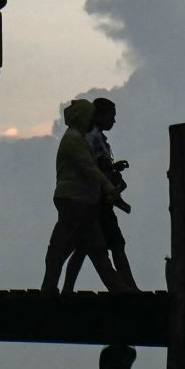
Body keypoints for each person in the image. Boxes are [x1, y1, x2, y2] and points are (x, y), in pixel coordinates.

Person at [41, 98, 128, 294]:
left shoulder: (77, 138)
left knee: (86, 247)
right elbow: (89, 168)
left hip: (81, 200)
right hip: (74, 199)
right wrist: (110, 188)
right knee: (68, 247)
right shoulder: (73, 139)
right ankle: (51, 286)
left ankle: (115, 286)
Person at [63, 97, 140, 293]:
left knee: (84, 248)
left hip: (95, 199)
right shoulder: (90, 137)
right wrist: (109, 173)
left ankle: (67, 288)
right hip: (98, 201)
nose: (114, 121)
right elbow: (91, 166)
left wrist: (112, 167)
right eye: (111, 116)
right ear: (98, 116)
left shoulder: (91, 136)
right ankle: (128, 286)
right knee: (115, 243)